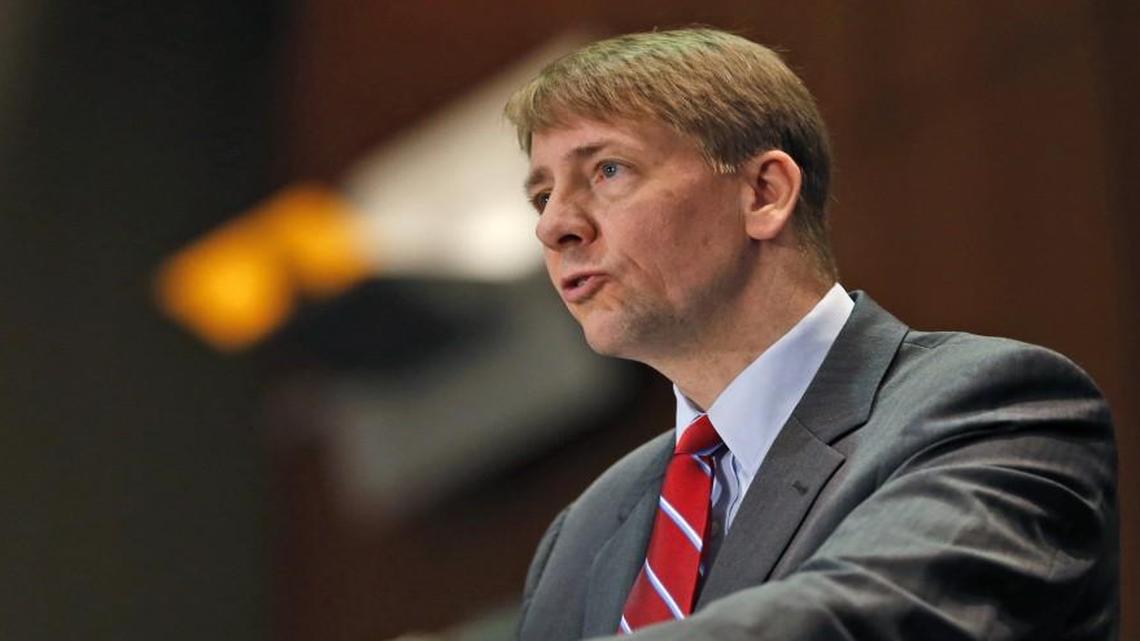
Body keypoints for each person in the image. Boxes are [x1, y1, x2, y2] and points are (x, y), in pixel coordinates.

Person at [503, 28, 1118, 641]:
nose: (554, 226)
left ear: (764, 194)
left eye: (608, 170)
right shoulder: (580, 536)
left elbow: (861, 618)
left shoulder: (990, 405)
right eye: (543, 196)